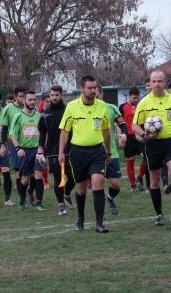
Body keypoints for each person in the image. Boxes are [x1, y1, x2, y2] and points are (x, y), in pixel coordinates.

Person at [132, 70, 171, 226]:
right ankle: (159, 215)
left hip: (170, 142)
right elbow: (134, 125)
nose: (157, 84)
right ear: (150, 83)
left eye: (160, 81)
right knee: (155, 181)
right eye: (154, 81)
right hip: (152, 145)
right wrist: (144, 136)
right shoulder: (144, 102)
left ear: (165, 82)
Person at [59, 75, 112, 233]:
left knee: (98, 182)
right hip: (78, 152)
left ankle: (99, 223)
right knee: (81, 189)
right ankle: (80, 219)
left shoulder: (102, 106)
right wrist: (61, 152)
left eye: (95, 87)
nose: (93, 91)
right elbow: (65, 131)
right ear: (82, 89)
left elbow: (106, 131)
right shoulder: (72, 107)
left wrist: (108, 151)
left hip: (97, 151)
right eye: (90, 88)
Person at [38, 85, 75, 216]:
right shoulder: (45, 114)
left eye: (57, 95)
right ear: (49, 96)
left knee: (73, 177)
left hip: (70, 149)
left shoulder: (68, 111)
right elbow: (42, 133)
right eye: (52, 95)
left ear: (61, 95)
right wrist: (40, 150)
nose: (54, 97)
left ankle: (66, 194)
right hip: (53, 151)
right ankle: (61, 206)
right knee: (59, 179)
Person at [10, 91, 46, 212]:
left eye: (34, 99)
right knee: (24, 179)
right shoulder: (17, 116)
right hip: (24, 151)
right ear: (24, 100)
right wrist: (18, 148)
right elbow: (12, 135)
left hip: (37, 150)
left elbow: (43, 133)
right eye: (29, 100)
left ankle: (39, 203)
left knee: (38, 174)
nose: (32, 102)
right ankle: (22, 198)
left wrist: (42, 147)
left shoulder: (39, 116)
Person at [96, 86, 127, 216]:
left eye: (97, 94)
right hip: (94, 152)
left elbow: (122, 123)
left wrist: (123, 135)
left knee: (116, 184)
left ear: (102, 94)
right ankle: (100, 214)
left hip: (111, 151)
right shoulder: (85, 110)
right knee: (98, 182)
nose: (95, 96)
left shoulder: (111, 108)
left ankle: (109, 197)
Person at [119, 87, 144, 191]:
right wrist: (120, 137)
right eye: (134, 98)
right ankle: (133, 185)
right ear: (129, 96)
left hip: (140, 135)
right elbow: (119, 123)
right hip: (128, 136)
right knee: (130, 161)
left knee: (146, 157)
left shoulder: (141, 106)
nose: (136, 100)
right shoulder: (122, 107)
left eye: (137, 98)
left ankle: (139, 177)